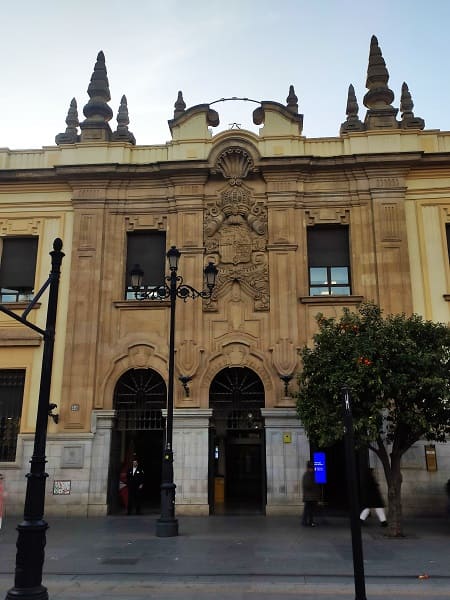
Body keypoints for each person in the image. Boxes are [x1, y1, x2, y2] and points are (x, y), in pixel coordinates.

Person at [302, 460, 320, 527]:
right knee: (309, 510)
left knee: (308, 510)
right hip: (310, 496)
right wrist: (313, 485)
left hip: (310, 496)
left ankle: (307, 522)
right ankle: (309, 522)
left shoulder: (309, 474)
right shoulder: (308, 475)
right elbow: (307, 485)